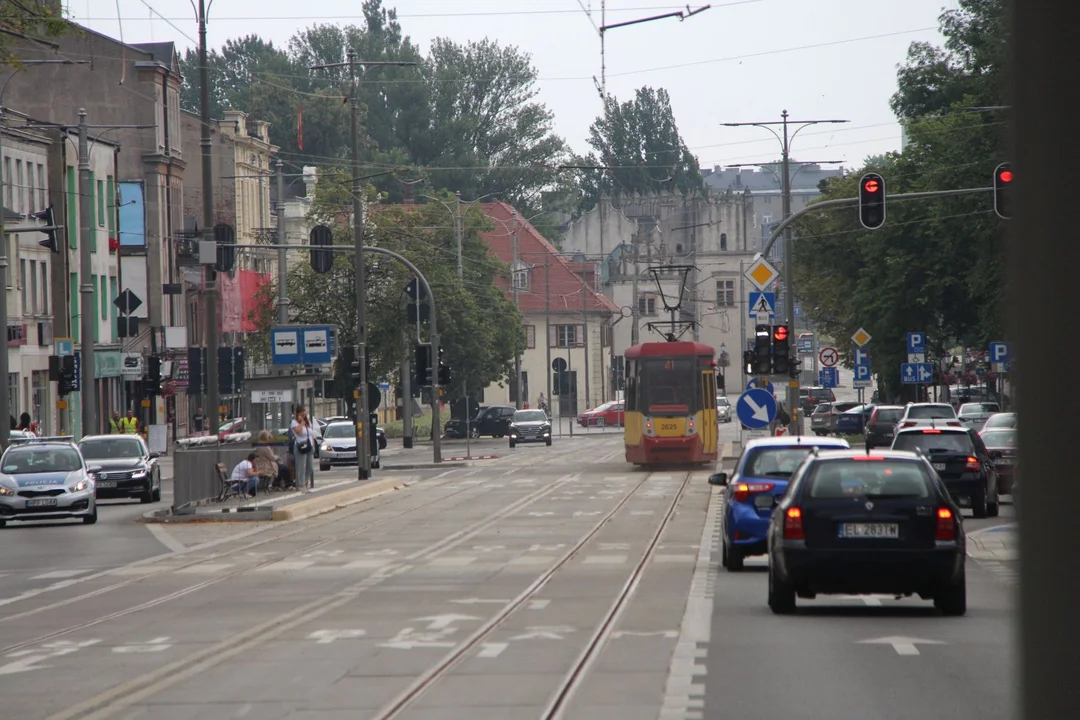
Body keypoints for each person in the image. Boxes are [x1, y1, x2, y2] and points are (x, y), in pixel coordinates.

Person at [290, 406, 316, 493]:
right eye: (302, 413)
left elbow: (311, 434)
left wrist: (313, 446)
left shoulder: (308, 423)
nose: (304, 414)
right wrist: (301, 423)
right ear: (298, 414)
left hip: (309, 446)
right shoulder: (294, 422)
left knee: (310, 467)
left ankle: (304, 482)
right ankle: (302, 485)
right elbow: (298, 432)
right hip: (300, 447)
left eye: (304, 412)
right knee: (301, 467)